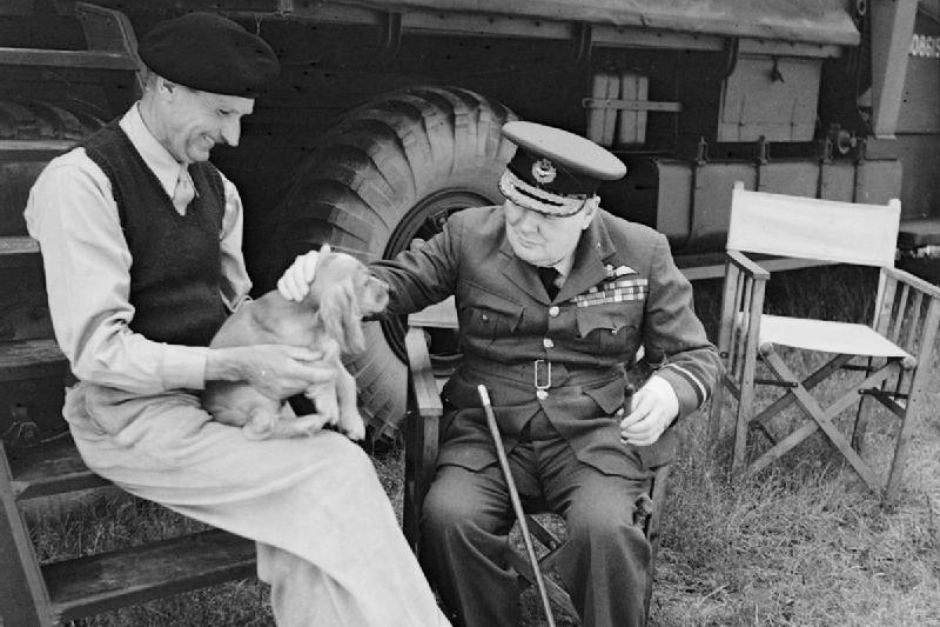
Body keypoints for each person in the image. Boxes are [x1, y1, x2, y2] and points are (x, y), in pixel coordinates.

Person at [25, 12, 449, 627]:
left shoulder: (220, 191)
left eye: (241, 117)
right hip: (131, 416)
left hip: (226, 401)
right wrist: (239, 363)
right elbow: (97, 353)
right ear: (163, 87)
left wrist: (303, 295)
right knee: (332, 477)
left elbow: (239, 312)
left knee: (310, 531)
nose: (232, 137)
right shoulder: (82, 185)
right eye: (221, 114)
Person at [278, 120, 719, 627]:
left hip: (590, 438)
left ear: (586, 212)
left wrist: (669, 389)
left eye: (545, 214)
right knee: (449, 518)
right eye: (516, 202)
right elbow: (398, 282)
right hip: (488, 434)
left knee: (606, 530)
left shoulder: (641, 253)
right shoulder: (469, 235)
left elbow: (696, 355)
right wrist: (330, 277)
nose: (523, 225)